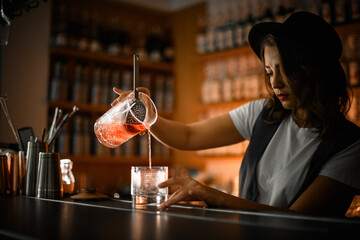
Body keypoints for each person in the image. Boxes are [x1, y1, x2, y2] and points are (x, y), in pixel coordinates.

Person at [112, 11, 360, 216]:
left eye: (286, 70)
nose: (276, 83)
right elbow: (188, 136)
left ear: (315, 71)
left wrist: (214, 196)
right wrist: (145, 112)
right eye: (270, 71)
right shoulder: (263, 113)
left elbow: (299, 221)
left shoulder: (350, 145)